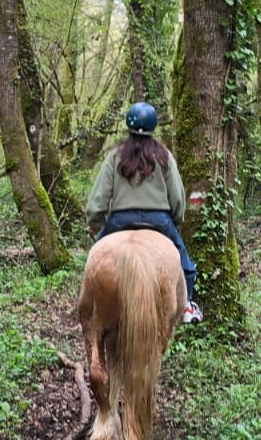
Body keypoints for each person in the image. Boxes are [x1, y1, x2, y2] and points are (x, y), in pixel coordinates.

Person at [85, 101, 203, 324]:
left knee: (94, 262)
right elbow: (177, 196)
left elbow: (99, 198)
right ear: (153, 126)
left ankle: (90, 302)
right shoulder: (164, 156)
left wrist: (95, 222)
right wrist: (176, 219)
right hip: (158, 220)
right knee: (187, 268)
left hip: (120, 220)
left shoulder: (114, 156)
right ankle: (187, 306)